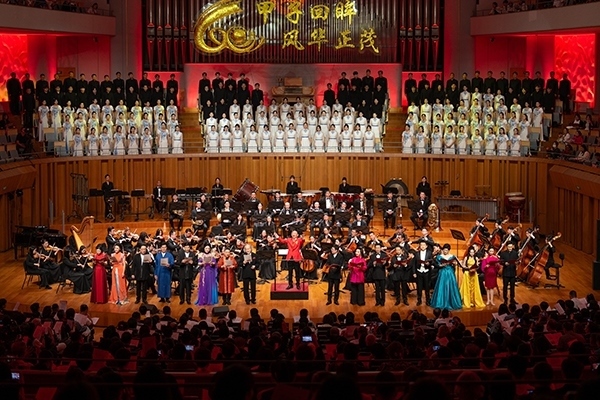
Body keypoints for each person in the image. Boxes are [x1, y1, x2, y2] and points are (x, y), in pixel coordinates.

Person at [430, 244, 463, 310]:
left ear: (449, 250)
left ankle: (452, 302)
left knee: (451, 286)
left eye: (447, 250)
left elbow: (457, 264)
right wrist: (442, 265)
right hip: (442, 272)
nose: (445, 251)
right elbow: (437, 264)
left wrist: (454, 263)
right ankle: (440, 302)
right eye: (444, 250)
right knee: (441, 286)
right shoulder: (439, 256)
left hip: (450, 272)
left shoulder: (452, 256)